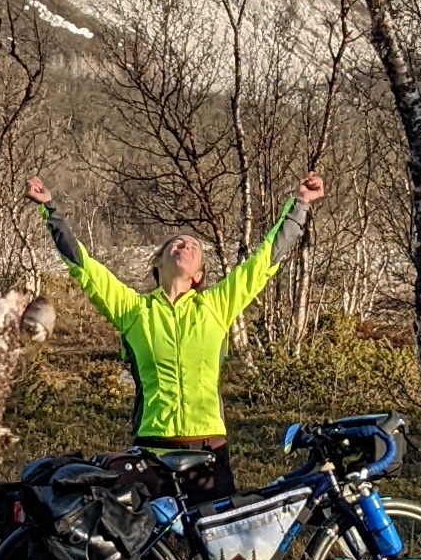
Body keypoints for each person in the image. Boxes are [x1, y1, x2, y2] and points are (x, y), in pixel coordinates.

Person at [23, 169, 324, 469]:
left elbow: (264, 262)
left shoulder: (216, 305)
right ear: (158, 262)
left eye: (194, 246)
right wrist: (49, 208)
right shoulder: (133, 310)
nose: (185, 246)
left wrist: (300, 204)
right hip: (153, 451)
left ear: (199, 275)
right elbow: (84, 266)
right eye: (177, 244)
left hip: (209, 448)